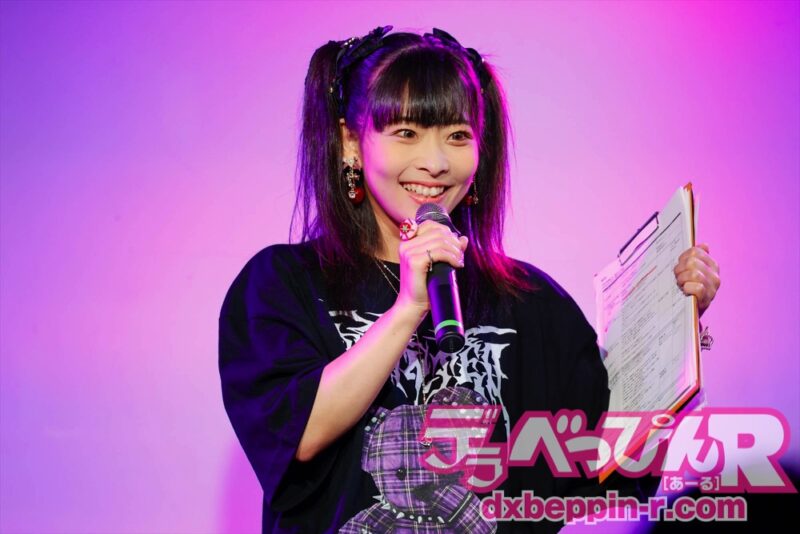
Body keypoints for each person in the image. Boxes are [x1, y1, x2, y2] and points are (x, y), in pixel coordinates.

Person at [218, 26, 721, 534]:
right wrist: (408, 308)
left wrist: (675, 330)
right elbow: (297, 436)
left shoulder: (530, 302)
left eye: (457, 136)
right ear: (352, 142)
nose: (435, 163)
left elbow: (618, 463)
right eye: (406, 133)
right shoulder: (283, 284)